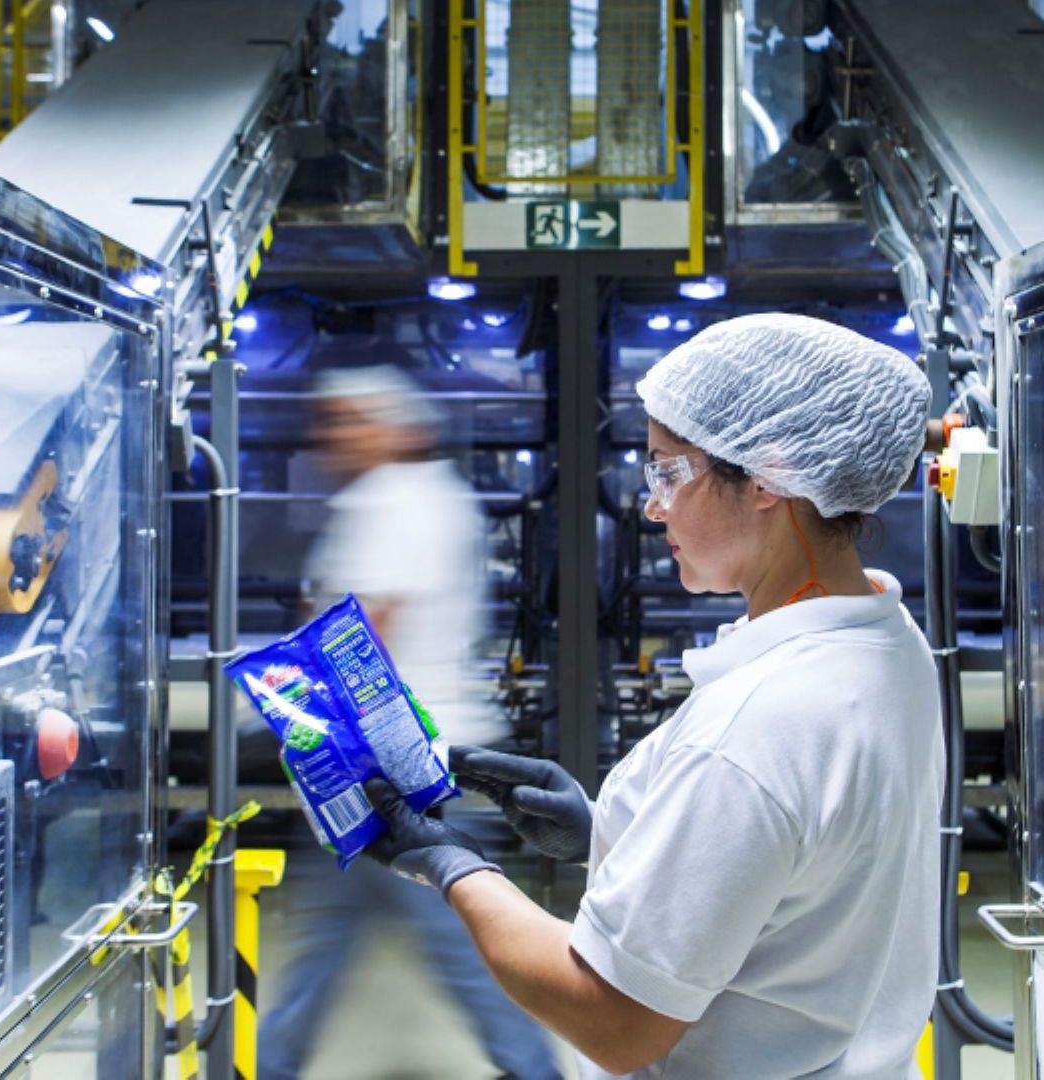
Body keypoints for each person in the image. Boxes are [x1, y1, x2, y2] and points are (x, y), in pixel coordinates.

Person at [359, 314, 944, 1078]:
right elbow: (798, 873)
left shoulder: (758, 726)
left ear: (767, 476)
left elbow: (615, 1022)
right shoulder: (889, 641)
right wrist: (608, 832)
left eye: (668, 473)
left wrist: (456, 868)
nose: (651, 506)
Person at [256, 364, 559, 1080]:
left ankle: (535, 1070)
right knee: (336, 927)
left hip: (395, 767)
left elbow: (362, 640)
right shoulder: (431, 497)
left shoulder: (394, 502)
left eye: (348, 421)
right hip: (406, 759)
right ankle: (270, 1064)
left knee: (452, 934)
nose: (331, 436)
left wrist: (295, 715)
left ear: (397, 429)